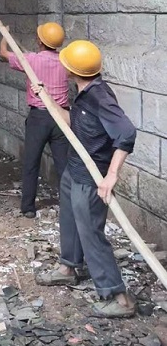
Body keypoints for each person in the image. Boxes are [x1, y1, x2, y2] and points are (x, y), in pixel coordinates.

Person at [33, 39, 137, 319]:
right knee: (68, 219)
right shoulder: (84, 91)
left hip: (91, 178)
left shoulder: (99, 97)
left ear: (72, 70)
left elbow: (126, 133)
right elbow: (72, 122)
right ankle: (69, 267)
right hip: (74, 169)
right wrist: (47, 99)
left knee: (91, 233)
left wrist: (111, 176)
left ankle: (119, 297)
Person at [0, 22, 69, 218]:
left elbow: (2, 53)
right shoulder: (65, 61)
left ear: (39, 41)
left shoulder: (30, 60)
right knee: (63, 165)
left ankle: (28, 207)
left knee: (31, 162)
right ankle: (69, 205)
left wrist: (4, 35)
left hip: (39, 118)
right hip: (62, 117)